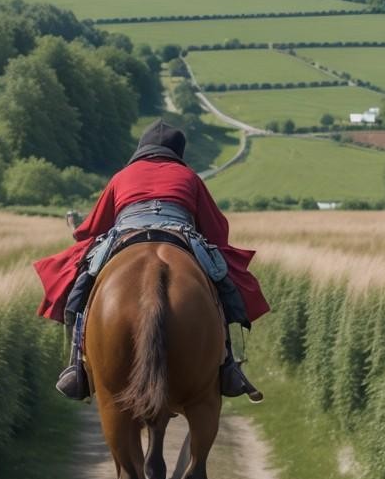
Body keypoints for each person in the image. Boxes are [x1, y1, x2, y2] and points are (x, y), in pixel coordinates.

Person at [33, 119, 269, 403]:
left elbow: (94, 227)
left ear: (142, 148)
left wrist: (79, 232)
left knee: (84, 280)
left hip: (125, 232)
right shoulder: (190, 177)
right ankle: (229, 365)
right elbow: (216, 228)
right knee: (220, 280)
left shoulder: (122, 176)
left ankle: (76, 367)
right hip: (181, 232)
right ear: (177, 152)